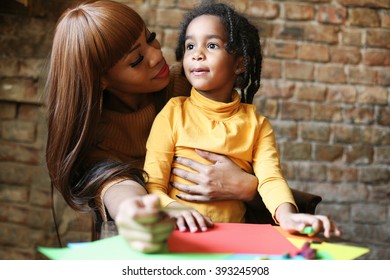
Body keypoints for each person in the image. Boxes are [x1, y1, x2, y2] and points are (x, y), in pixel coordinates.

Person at [45, 0, 259, 253]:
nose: (157, 56)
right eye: (136, 60)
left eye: (151, 38)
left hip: (223, 233)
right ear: (100, 78)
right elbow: (117, 186)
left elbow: (252, 154)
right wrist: (133, 210)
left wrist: (248, 187)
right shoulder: (98, 137)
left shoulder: (190, 84)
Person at [144, 1, 341, 238]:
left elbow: (270, 179)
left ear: (239, 63)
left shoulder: (257, 125)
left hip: (235, 240)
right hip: (179, 235)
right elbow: (152, 185)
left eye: (212, 44)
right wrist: (174, 209)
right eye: (190, 46)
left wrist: (287, 216)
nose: (197, 54)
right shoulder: (173, 113)